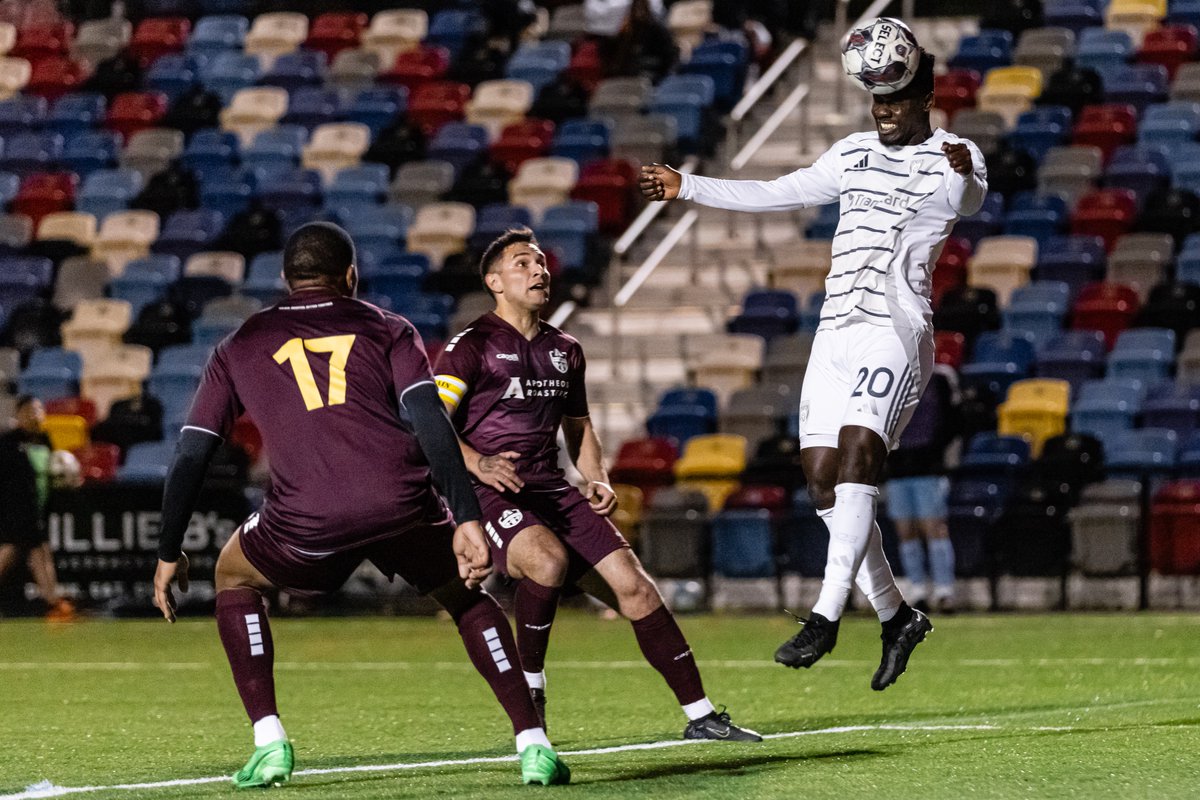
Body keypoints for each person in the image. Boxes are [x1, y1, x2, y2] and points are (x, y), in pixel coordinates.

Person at [151, 222, 570, 789]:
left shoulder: (240, 343)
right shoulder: (387, 327)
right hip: (401, 501)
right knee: (466, 596)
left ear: (284, 277)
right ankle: (533, 745)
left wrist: (168, 549)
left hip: (307, 517)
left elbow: (192, 453)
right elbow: (429, 421)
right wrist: (467, 518)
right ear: (351, 275)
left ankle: (270, 741)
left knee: (233, 575)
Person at [639, 44, 987, 689]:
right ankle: (896, 617)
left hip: (894, 328)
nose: (884, 110)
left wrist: (965, 171)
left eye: (896, 100)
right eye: (877, 99)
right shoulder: (851, 153)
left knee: (860, 456)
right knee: (824, 483)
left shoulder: (953, 155)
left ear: (925, 101)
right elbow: (777, 192)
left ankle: (826, 617)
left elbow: (967, 200)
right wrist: (687, 186)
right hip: (833, 334)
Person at [433, 227, 760, 741]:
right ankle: (531, 687)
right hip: (491, 492)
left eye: (541, 262)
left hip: (552, 488)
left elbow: (579, 425)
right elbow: (433, 425)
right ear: (494, 281)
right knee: (546, 561)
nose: (539, 271)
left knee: (637, 590)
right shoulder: (469, 346)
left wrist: (598, 477)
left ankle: (701, 716)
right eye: (523, 263)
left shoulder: (566, 349)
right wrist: (477, 463)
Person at [884, 368, 960, 614]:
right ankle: (917, 590)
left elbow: (952, 421)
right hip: (897, 469)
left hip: (928, 467)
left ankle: (944, 591)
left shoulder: (939, 378)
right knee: (905, 531)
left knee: (934, 528)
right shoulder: (888, 377)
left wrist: (935, 454)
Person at [0, 396, 76, 621]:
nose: (36, 414)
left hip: (36, 507)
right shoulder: (8, 443)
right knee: (16, 551)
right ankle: (53, 602)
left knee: (35, 552)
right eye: (31, 411)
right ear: (20, 414)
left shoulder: (44, 440)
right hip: (13, 506)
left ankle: (53, 602)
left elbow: (49, 472)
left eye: (39, 409)